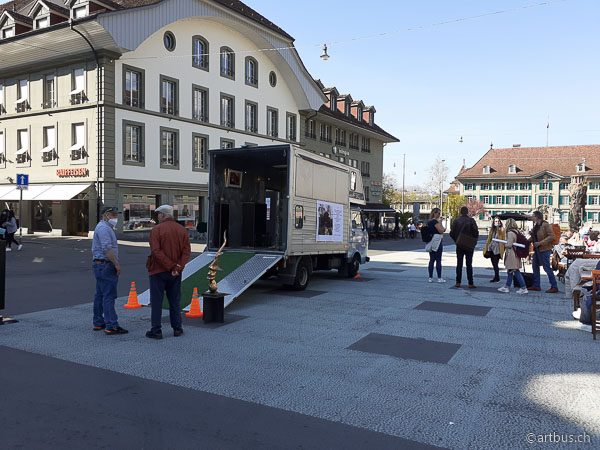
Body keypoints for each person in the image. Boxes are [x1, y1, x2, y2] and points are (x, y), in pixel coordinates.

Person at [146, 205, 191, 340]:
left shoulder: (156, 230)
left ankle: (156, 330)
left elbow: (156, 251)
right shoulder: (182, 230)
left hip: (158, 270)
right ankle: (177, 328)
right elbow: (186, 252)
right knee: (174, 300)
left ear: (163, 215)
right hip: (175, 273)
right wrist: (177, 267)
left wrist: (170, 266)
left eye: (158, 215)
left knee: (157, 301)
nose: (157, 217)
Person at [92, 206, 127, 335]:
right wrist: (116, 264)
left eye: (116, 215)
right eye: (113, 215)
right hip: (106, 264)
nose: (115, 217)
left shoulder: (104, 227)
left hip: (100, 264)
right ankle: (111, 325)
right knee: (108, 295)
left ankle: (98, 322)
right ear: (105, 215)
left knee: (100, 294)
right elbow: (107, 248)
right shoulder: (104, 228)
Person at [528, 210, 559, 293]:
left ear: (537, 217)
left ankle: (554, 286)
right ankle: (536, 285)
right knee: (535, 266)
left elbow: (552, 236)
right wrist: (526, 241)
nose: (532, 218)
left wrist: (540, 243)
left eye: (533, 216)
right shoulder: (536, 226)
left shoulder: (545, 225)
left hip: (545, 249)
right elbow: (534, 237)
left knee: (547, 268)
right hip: (537, 250)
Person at [450, 206, 479, 288]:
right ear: (467, 212)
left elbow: (452, 233)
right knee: (469, 264)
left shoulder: (456, 221)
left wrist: (457, 240)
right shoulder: (471, 220)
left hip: (459, 244)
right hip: (469, 244)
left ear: (460, 212)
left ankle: (458, 282)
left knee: (459, 263)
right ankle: (470, 283)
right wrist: (473, 241)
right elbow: (476, 232)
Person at [497, 219, 528, 295]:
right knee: (510, 271)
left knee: (515, 271)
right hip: (515, 253)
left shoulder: (510, 233)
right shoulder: (517, 232)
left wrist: (503, 243)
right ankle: (507, 286)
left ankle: (523, 287)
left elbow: (509, 244)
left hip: (511, 254)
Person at [426, 208, 446, 283]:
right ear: (434, 213)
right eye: (438, 213)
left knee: (431, 260)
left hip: (430, 241)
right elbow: (441, 230)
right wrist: (440, 222)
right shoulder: (435, 222)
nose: (439, 215)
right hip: (437, 242)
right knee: (438, 260)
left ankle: (430, 277)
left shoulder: (429, 222)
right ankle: (439, 278)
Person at [483, 216, 505, 282]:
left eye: (498, 221)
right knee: (493, 263)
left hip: (497, 249)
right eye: (495, 221)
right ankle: (496, 276)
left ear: (500, 222)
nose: (496, 222)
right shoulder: (492, 229)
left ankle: (497, 277)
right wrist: (487, 247)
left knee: (495, 263)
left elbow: (503, 239)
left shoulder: (502, 229)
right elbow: (489, 239)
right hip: (491, 248)